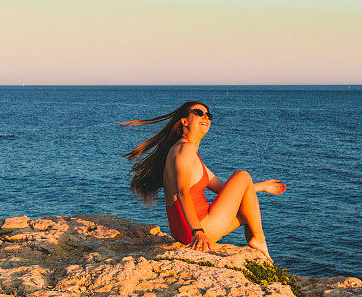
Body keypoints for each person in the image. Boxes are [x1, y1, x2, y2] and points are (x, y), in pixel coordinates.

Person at [120, 100, 286, 263]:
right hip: (196, 228)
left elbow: (226, 190)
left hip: (184, 231)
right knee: (242, 175)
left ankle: (257, 246)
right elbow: (182, 192)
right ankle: (259, 239)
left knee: (248, 211)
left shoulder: (187, 152)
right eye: (199, 113)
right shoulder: (185, 149)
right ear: (184, 121)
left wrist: (263, 186)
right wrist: (198, 231)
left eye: (208, 114)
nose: (205, 117)